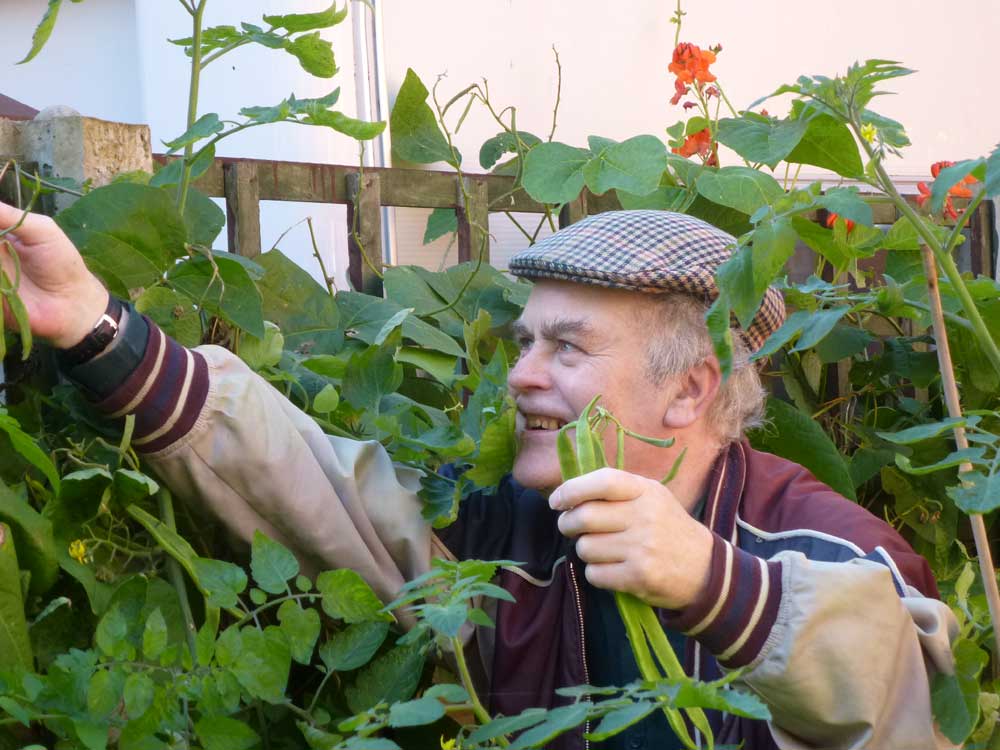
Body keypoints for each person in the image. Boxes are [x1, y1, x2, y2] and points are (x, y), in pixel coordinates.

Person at [0, 203, 958, 749]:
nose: (522, 375)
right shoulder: (502, 528)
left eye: (566, 348)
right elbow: (323, 495)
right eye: (525, 342)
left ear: (690, 388)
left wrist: (713, 584)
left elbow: (897, 688)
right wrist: (93, 324)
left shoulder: (820, 544)